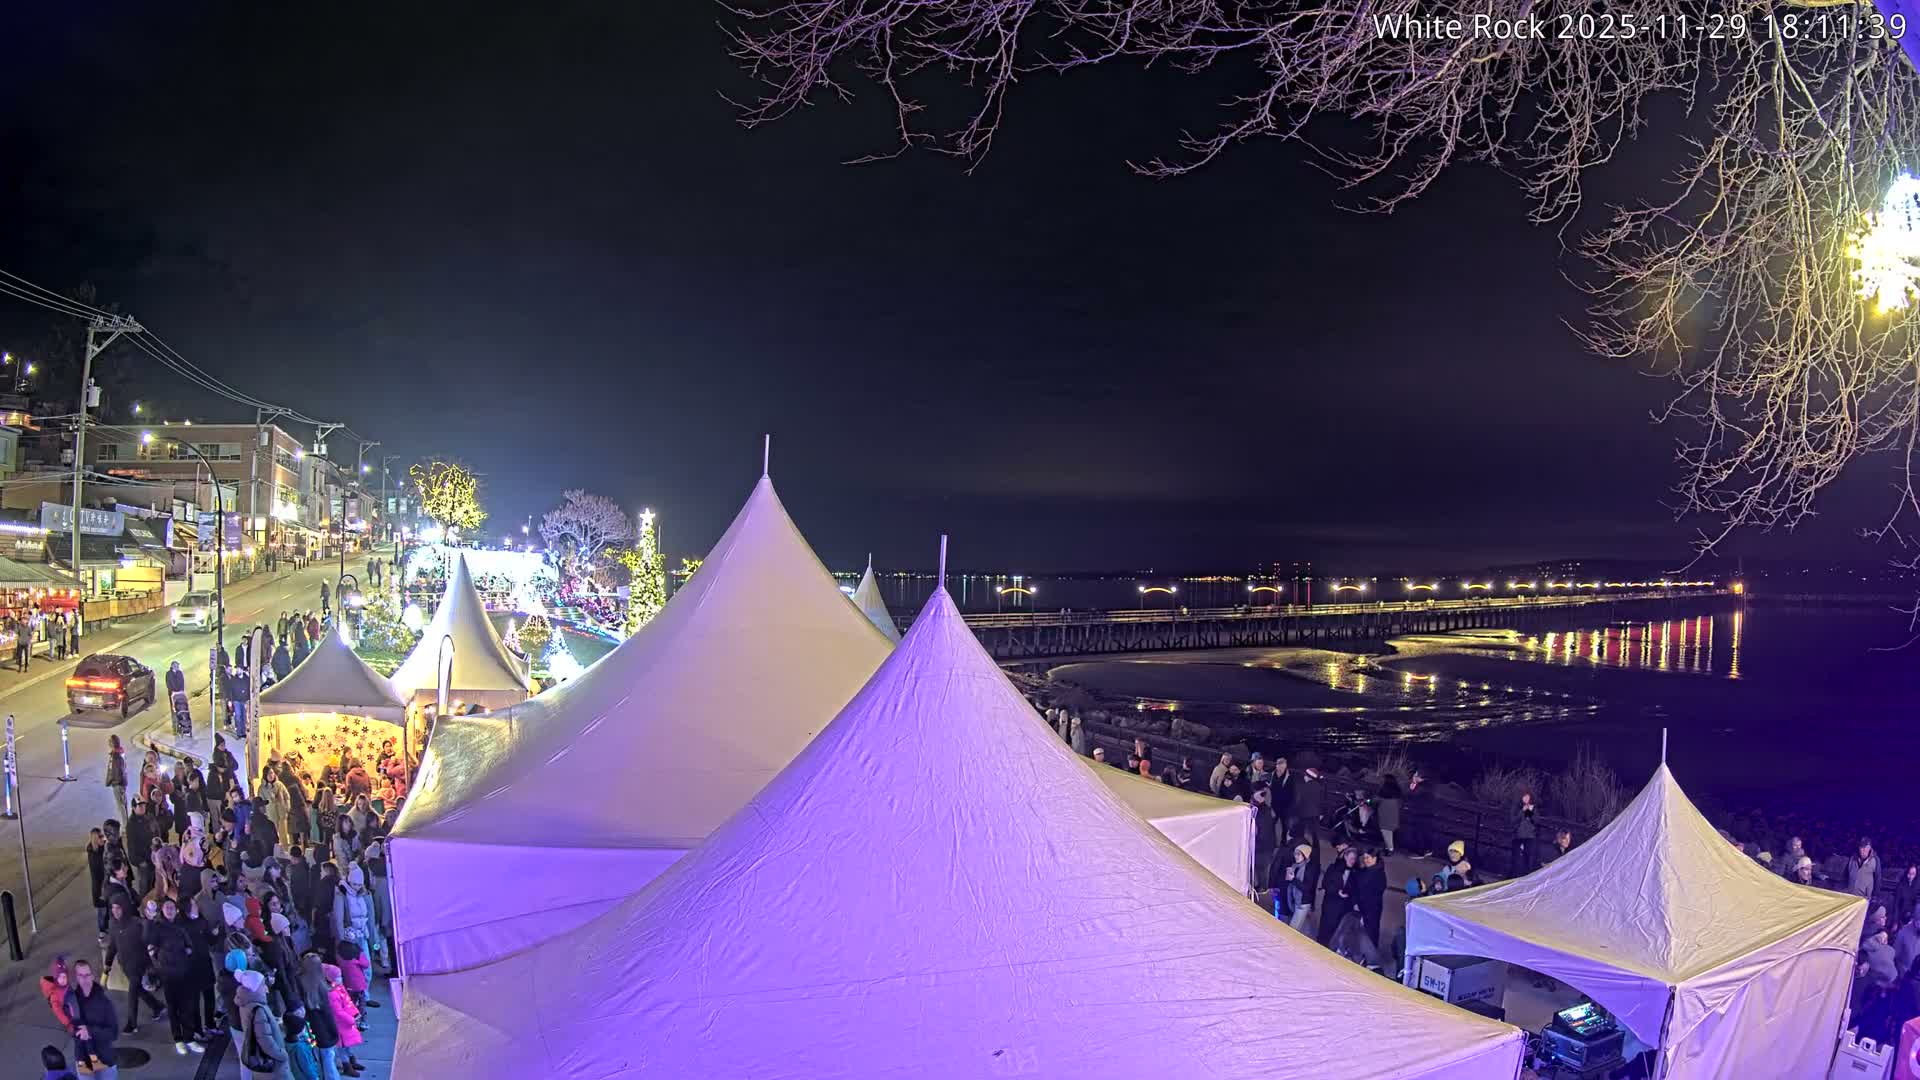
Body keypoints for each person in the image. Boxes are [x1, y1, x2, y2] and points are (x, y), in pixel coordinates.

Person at [144, 898, 203, 1055]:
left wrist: (188, 950)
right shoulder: (157, 927)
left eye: (172, 907)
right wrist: (160, 961)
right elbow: (149, 943)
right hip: (169, 974)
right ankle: (179, 1039)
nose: (170, 910)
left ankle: (189, 1038)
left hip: (184, 971)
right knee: (173, 1007)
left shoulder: (180, 926)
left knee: (187, 1006)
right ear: (162, 910)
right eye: (167, 907)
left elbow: (189, 943)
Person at [102, 897, 166, 1033]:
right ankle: (157, 1006)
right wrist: (107, 965)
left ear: (124, 908)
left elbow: (148, 935)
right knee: (138, 990)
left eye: (118, 908)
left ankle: (132, 1023)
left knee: (132, 992)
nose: (115, 911)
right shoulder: (113, 924)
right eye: (113, 908)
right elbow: (112, 946)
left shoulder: (136, 923)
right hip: (125, 964)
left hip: (139, 963)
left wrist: (150, 919)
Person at [62, 958, 119, 1077]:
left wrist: (90, 1031)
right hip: (83, 1059)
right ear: (76, 977)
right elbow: (70, 1028)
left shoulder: (104, 1002)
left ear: (92, 976)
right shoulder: (71, 1001)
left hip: (104, 1059)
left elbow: (113, 1033)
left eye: (87, 975)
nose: (84, 979)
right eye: (81, 975)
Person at [236, 968, 292, 1079]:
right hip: (273, 1063)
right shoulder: (258, 1010)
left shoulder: (246, 1001)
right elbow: (265, 1041)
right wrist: (282, 1055)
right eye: (262, 985)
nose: (266, 989)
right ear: (254, 988)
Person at [324, 963, 366, 1076]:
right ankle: (346, 1065)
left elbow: (348, 1002)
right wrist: (351, 1019)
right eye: (338, 976)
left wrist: (355, 1013)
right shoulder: (332, 994)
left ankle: (351, 1061)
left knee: (348, 1045)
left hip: (346, 1022)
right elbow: (338, 1012)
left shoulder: (339, 988)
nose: (341, 978)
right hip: (340, 1024)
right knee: (342, 1046)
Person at [1317, 847, 1360, 947]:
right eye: (1350, 858)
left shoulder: (1356, 872)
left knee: (1337, 932)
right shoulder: (1334, 868)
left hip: (1344, 907)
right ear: (1345, 856)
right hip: (1331, 905)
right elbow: (1326, 883)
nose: (1352, 861)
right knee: (1325, 929)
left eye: (1354, 859)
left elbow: (1356, 890)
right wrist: (1337, 892)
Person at [1279, 843, 1318, 932]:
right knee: (1301, 927)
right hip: (1295, 901)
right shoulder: (1295, 866)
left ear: (1305, 856)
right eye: (1295, 854)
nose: (1296, 856)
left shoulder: (1309, 869)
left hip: (1303, 903)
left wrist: (1293, 879)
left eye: (1298, 854)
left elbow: (1307, 887)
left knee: (1293, 929)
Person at [1376, 774, 1403, 855]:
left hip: (1385, 813)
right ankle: (1388, 848)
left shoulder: (1384, 791)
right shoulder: (1397, 792)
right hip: (1393, 813)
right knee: (1388, 831)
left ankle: (1390, 849)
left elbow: (1377, 799)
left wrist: (1370, 801)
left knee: (1386, 831)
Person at [104, 736, 129, 824]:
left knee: (120, 805)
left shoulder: (115, 755)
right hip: (122, 782)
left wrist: (111, 781)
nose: (108, 743)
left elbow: (115, 770)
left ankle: (125, 825)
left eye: (109, 741)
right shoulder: (120, 753)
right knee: (123, 804)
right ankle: (126, 823)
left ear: (112, 743)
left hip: (118, 784)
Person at [1512, 791, 1538, 874]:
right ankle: (1514, 875)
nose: (1526, 799)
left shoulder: (1533, 808)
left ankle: (1526, 875)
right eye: (1524, 797)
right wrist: (1521, 811)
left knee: (1528, 858)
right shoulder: (1516, 807)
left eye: (1527, 797)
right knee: (1517, 858)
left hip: (1530, 836)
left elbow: (1536, 821)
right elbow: (1513, 820)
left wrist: (1529, 813)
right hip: (1518, 836)